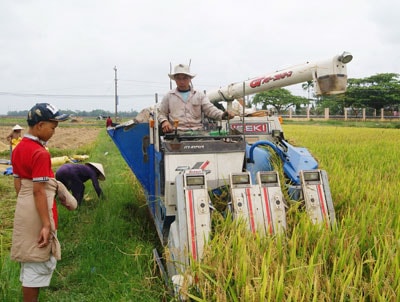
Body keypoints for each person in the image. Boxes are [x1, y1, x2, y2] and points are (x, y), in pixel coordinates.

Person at [10, 103, 70, 301]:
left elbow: (19, 185)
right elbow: (39, 191)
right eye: (52, 127)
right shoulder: (41, 153)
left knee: (29, 261)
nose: (54, 132)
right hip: (39, 211)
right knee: (37, 263)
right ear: (40, 125)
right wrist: (45, 223)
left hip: (25, 209)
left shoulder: (18, 149)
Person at [158, 64, 235, 132]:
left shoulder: (199, 95)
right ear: (175, 79)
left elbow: (210, 109)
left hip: (197, 132)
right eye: (178, 78)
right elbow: (161, 113)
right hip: (176, 132)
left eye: (184, 78)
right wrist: (164, 121)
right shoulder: (169, 96)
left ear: (190, 79)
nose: (181, 81)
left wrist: (223, 115)